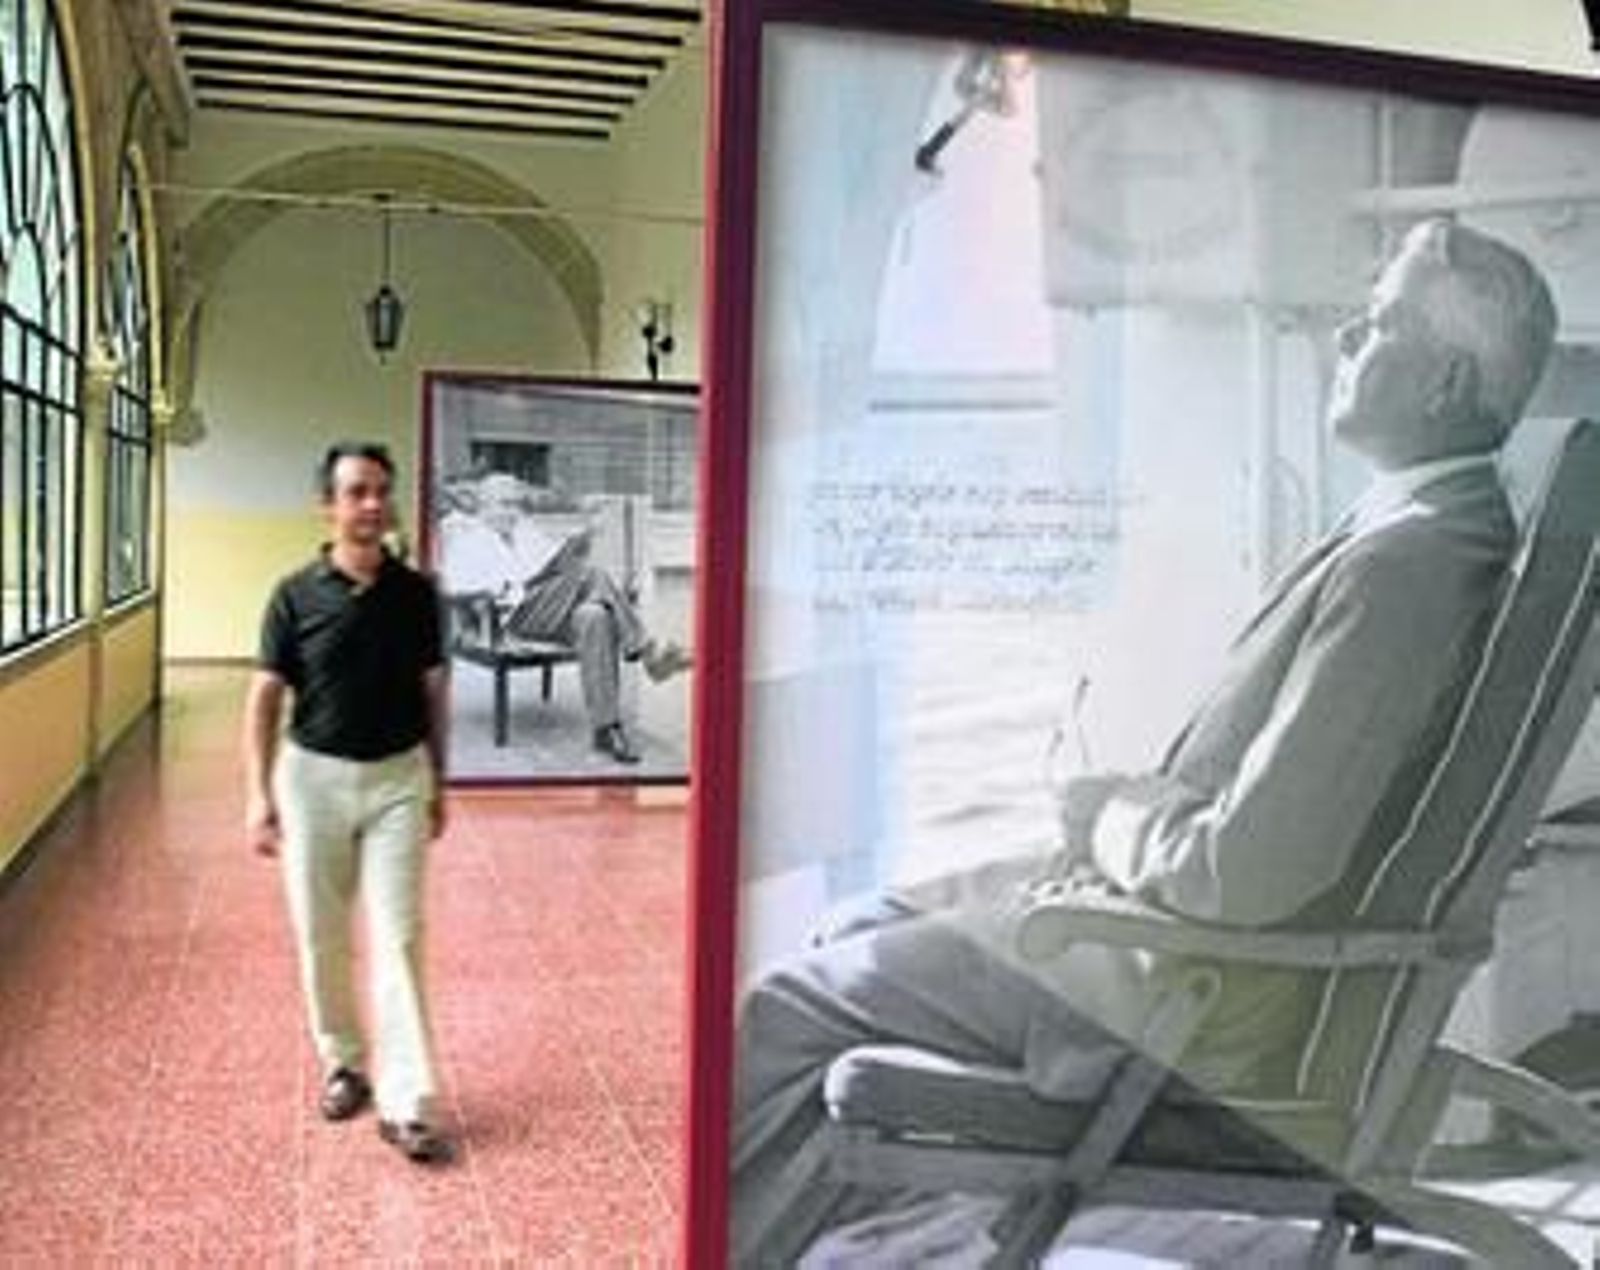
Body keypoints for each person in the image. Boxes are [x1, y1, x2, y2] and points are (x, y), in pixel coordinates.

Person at [730, 218, 1560, 1253]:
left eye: (1381, 319)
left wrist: (1113, 815)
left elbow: (1245, 871)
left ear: (1444, 383)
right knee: (858, 921)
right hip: (1178, 962)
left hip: (1186, 1001)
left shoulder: (1410, 567)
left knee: (779, 1009)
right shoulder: (1420, 532)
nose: (1347, 335)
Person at [243, 441, 454, 1165]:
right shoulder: (293, 595)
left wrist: (438, 781)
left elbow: (433, 692)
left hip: (398, 780)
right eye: (357, 491)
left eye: (381, 491)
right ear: (326, 506)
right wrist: (257, 795)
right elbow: (263, 698)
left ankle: (408, 1099)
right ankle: (344, 1063)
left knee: (399, 937)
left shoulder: (416, 594)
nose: (372, 504)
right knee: (321, 934)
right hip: (313, 782)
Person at [438, 470, 691, 764]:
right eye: (503, 504)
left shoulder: (526, 532)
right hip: (511, 618)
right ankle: (649, 653)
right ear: (484, 506)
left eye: (515, 504)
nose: (511, 511)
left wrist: (576, 546)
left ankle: (606, 728)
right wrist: (497, 588)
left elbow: (555, 564)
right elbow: (453, 586)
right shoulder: (469, 542)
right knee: (592, 575)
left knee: (594, 615)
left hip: (549, 610)